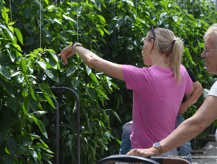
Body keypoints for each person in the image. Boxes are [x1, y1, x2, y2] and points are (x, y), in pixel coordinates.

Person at [58, 26, 194, 157]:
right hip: (168, 151)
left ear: (151, 44)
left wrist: (76, 46)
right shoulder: (180, 71)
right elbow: (192, 90)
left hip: (144, 156)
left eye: (144, 42)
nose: (142, 48)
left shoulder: (145, 77)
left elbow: (93, 61)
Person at [126, 23, 217, 159]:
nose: (203, 55)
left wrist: (154, 149)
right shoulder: (153, 72)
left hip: (173, 118)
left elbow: (197, 122)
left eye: (207, 50)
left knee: (184, 146)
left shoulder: (178, 69)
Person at [119, 69, 203, 163]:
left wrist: (184, 105)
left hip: (173, 116)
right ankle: (121, 160)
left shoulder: (181, 70)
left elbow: (198, 88)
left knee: (183, 143)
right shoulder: (150, 71)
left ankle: (187, 162)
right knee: (128, 129)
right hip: (152, 116)